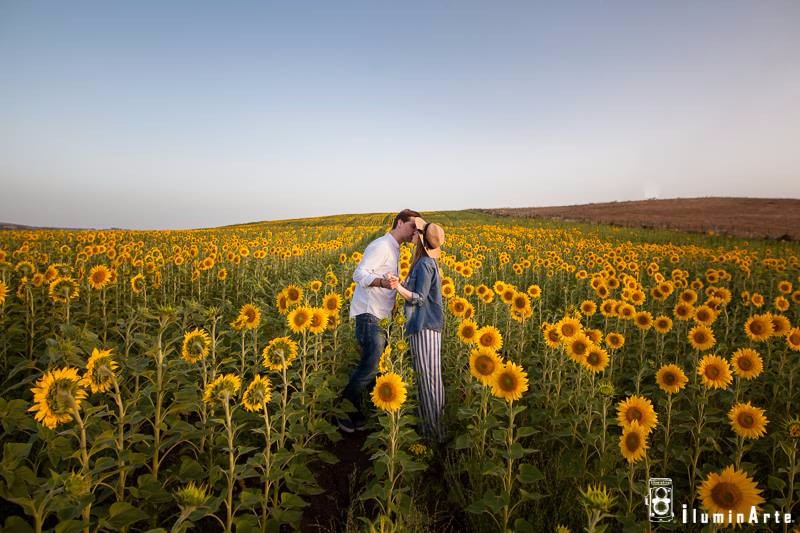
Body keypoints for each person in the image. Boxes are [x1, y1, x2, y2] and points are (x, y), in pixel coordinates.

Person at [337, 209, 421, 433]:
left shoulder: (393, 248)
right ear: (400, 222)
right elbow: (359, 274)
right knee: (370, 367)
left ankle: (358, 410)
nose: (415, 230)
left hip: (380, 316)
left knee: (371, 365)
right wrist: (382, 284)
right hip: (370, 314)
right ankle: (341, 412)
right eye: (412, 225)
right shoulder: (382, 246)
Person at [389, 217, 445, 442]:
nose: (413, 232)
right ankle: (431, 429)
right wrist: (401, 283)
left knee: (429, 379)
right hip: (421, 325)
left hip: (425, 326)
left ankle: (436, 435)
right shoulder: (423, 262)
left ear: (421, 239)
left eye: (416, 231)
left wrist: (397, 287)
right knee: (427, 378)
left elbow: (419, 298)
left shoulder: (424, 264)